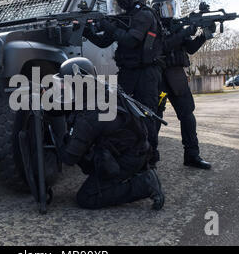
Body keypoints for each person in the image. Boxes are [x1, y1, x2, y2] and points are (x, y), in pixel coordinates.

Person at [50, 57, 164, 210]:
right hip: (136, 149)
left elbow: (69, 157)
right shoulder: (100, 90)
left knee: (86, 198)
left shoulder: (90, 114)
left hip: (128, 157)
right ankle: (136, 172)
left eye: (64, 84)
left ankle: (144, 184)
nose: (62, 88)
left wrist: (56, 138)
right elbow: (67, 105)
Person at [83, 0, 164, 168]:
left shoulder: (145, 14)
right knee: (120, 112)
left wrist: (108, 26)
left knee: (146, 113)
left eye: (120, 1)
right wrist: (87, 30)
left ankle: (150, 158)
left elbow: (131, 40)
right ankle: (128, 151)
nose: (117, 5)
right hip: (128, 72)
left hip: (146, 74)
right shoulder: (125, 17)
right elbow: (104, 42)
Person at [150, 0, 215, 169]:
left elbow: (191, 48)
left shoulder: (177, 26)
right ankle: (148, 159)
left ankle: (192, 155)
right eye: (168, 7)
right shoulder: (152, 25)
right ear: (158, 8)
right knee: (155, 117)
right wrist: (186, 31)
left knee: (187, 116)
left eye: (173, 6)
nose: (171, 10)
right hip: (161, 80)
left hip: (177, 78)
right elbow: (163, 45)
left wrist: (203, 34)